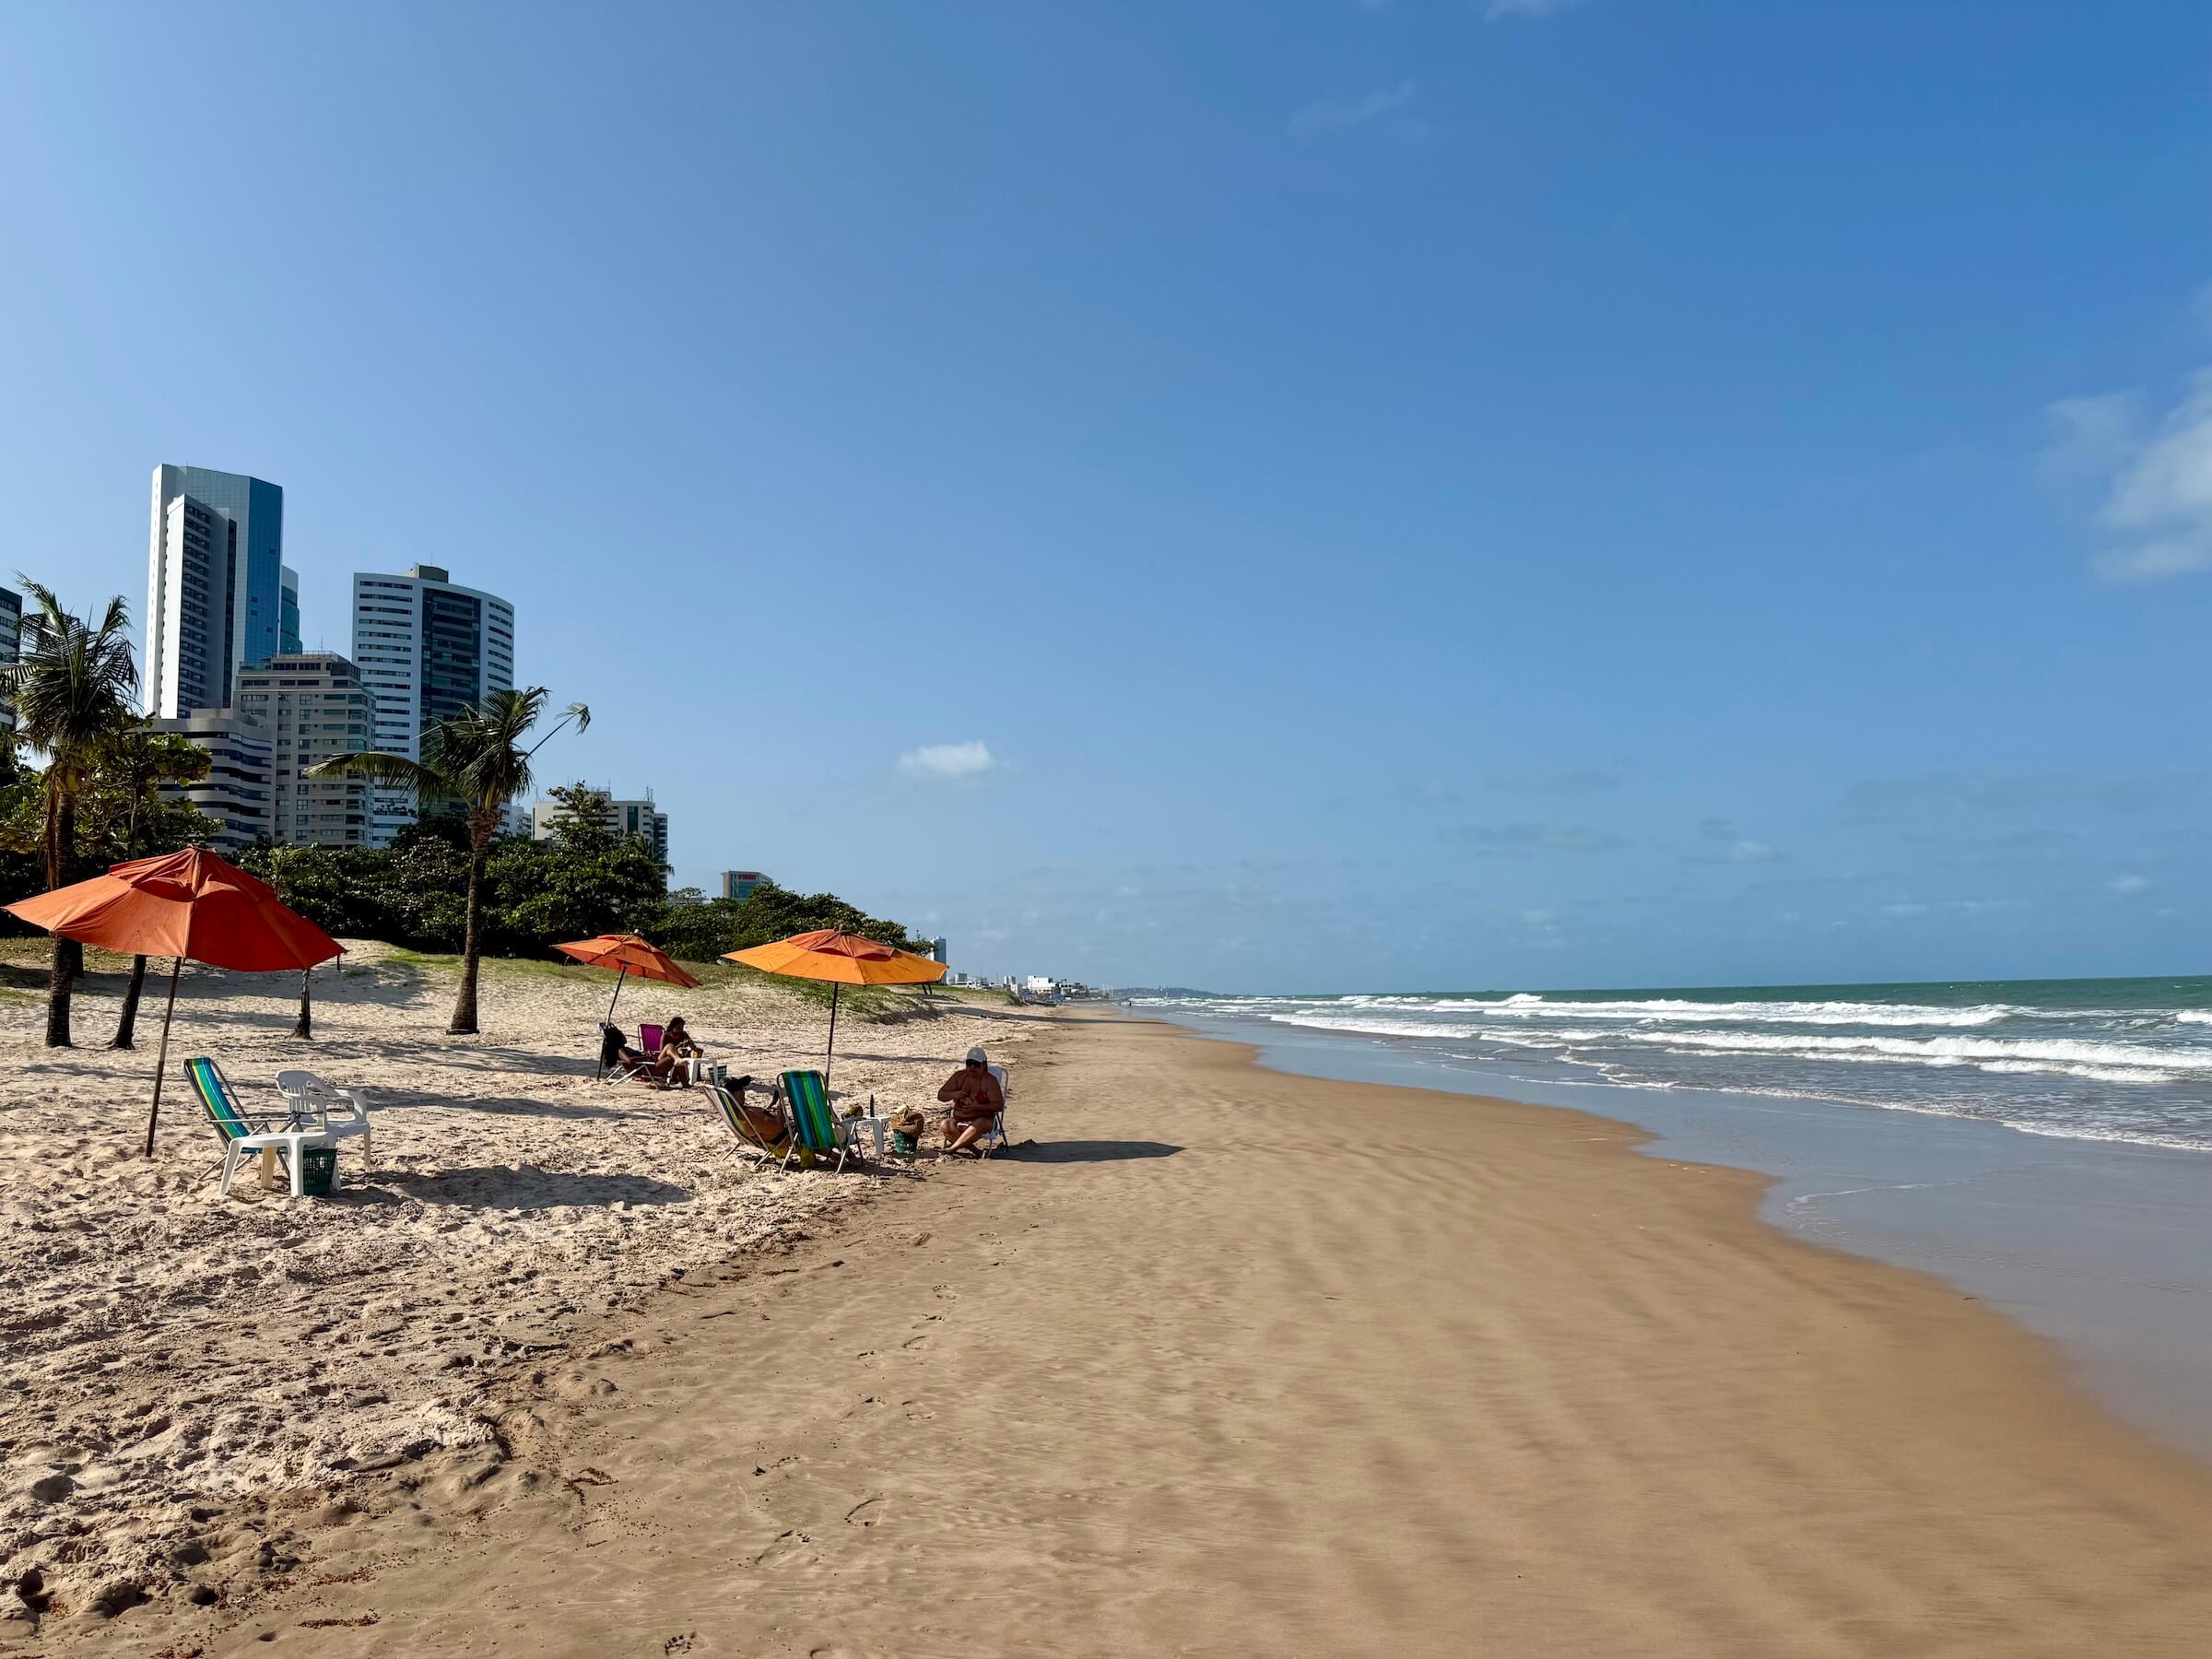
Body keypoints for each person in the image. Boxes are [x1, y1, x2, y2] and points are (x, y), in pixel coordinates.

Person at [935, 1045, 1005, 1157]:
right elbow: (941, 1095)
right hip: (959, 1118)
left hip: (983, 1120)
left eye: (976, 1064)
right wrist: (954, 1094)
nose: (972, 1067)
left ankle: (953, 1148)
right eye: (969, 1063)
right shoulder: (959, 1077)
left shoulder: (989, 1081)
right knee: (945, 1125)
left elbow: (999, 1105)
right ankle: (976, 1151)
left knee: (979, 1123)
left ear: (984, 1065)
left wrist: (978, 1107)